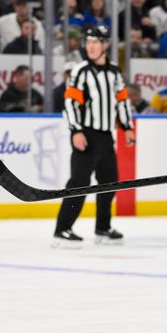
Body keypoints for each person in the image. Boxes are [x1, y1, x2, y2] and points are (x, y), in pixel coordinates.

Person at [54, 26, 135, 247]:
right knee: (79, 183)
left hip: (106, 136)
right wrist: (76, 130)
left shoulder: (115, 72)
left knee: (109, 183)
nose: (90, 46)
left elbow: (122, 101)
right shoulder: (80, 71)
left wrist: (127, 127)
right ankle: (62, 229)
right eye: (88, 42)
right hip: (86, 135)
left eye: (96, 42)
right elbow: (70, 103)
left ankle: (103, 228)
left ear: (105, 45)